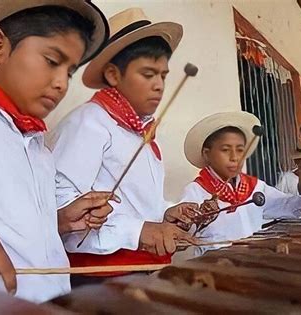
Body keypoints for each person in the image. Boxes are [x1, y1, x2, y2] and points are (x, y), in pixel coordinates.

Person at [0, 1, 114, 302]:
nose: (61, 84)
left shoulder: (37, 145)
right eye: (52, 61)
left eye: (70, 72)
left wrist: (59, 221)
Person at [48, 8, 197, 282]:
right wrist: (138, 231)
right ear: (114, 75)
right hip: (102, 275)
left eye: (163, 75)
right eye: (148, 74)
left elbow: (136, 205)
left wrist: (166, 211)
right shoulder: (88, 122)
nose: (159, 86)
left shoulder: (143, 132)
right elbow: (60, 203)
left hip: (145, 270)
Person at [180, 112, 301, 256]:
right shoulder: (195, 191)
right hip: (214, 271)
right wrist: (199, 217)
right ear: (207, 154)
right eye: (225, 150)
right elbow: (182, 234)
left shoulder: (256, 187)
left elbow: (296, 209)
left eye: (240, 150)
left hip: (252, 265)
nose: (234, 158)